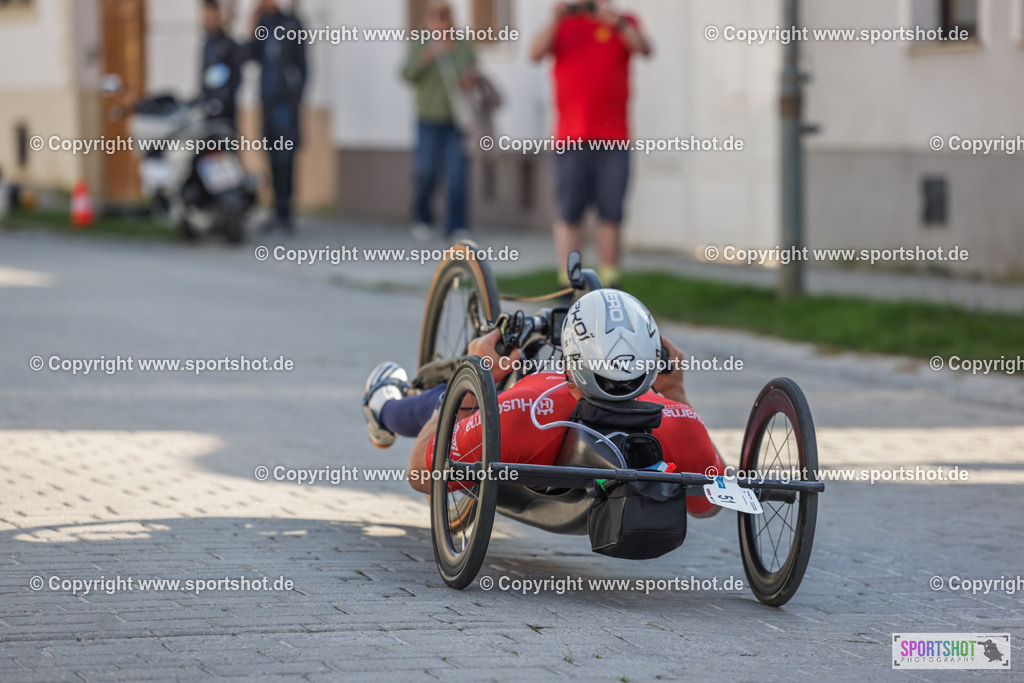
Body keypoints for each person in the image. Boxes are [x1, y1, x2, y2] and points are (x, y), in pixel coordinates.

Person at [361, 289, 724, 517]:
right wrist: (675, 393)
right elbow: (708, 505)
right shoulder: (682, 422)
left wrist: (467, 386)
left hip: (536, 421)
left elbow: (422, 473)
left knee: (458, 396)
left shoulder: (522, 412)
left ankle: (383, 407)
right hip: (635, 424)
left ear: (570, 358)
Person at [530, 1, 652, 289]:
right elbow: (534, 53)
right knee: (570, 213)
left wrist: (615, 22)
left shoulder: (623, 21)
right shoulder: (565, 24)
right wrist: (556, 19)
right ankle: (569, 284)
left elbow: (645, 49)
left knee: (611, 212)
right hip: (571, 138)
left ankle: (610, 283)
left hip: (614, 139)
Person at [401, 1, 477, 243]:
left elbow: (473, 70)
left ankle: (457, 225)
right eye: (437, 18)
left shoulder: (461, 44)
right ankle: (422, 218)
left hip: (456, 119)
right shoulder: (422, 42)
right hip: (428, 117)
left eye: (445, 17)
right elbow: (406, 73)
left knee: (457, 174)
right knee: (426, 171)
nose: (442, 23)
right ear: (429, 20)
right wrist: (425, 58)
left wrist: (468, 79)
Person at [249, 0, 307, 233]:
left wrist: (297, 96)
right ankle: (275, 208)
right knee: (271, 155)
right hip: (267, 99)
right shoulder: (263, 23)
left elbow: (303, 64)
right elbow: (252, 56)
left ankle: (285, 210)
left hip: (286, 102)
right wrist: (252, 28)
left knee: (286, 155)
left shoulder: (291, 23)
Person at [200, 0, 243, 129]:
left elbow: (235, 77)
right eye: (206, 16)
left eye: (211, 16)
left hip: (224, 111)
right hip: (207, 108)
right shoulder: (207, 44)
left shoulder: (227, 45)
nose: (207, 20)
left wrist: (223, 100)